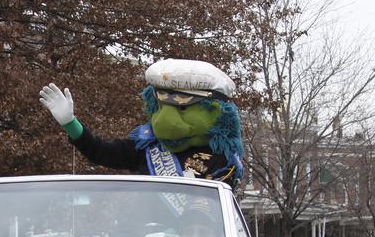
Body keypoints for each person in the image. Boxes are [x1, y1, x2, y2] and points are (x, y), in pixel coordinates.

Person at [39, 59, 245, 189]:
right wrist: (70, 123)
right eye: (162, 105)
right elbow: (101, 151)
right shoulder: (147, 146)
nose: (165, 120)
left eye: (182, 107)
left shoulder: (223, 159)